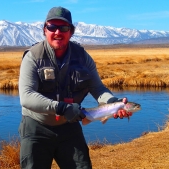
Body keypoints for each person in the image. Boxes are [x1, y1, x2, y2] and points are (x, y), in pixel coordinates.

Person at [18, 6, 131, 169]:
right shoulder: (33, 56)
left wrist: (113, 102)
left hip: (69, 126)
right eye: (52, 27)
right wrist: (62, 108)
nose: (58, 32)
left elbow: (98, 88)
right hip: (36, 127)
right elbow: (27, 97)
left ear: (71, 31)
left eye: (63, 28)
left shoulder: (83, 57)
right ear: (44, 30)